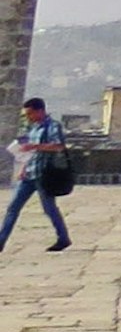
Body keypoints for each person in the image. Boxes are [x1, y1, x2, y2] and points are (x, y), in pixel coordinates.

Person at [2, 101, 70, 253]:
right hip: (30, 173)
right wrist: (23, 168)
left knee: (49, 208)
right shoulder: (32, 128)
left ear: (40, 111)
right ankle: (1, 241)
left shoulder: (53, 126)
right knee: (13, 207)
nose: (28, 117)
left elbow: (58, 145)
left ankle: (63, 238)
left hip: (44, 174)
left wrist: (35, 146)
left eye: (30, 114)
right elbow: (30, 153)